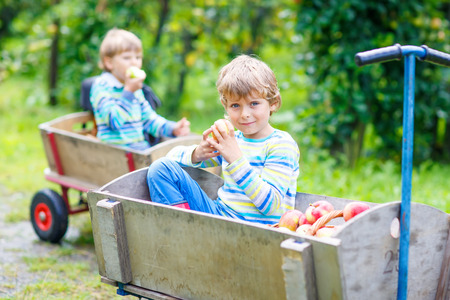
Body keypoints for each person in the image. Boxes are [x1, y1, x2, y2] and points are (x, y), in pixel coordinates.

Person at [147, 54, 300, 225]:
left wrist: (235, 159)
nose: (245, 114)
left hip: (260, 233)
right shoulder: (232, 140)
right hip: (220, 218)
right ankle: (181, 229)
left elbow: (270, 205)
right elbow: (171, 158)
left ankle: (187, 235)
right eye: (235, 105)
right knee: (160, 168)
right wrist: (198, 154)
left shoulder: (281, 144)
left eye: (254, 103)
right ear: (225, 106)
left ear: (273, 102)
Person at [90, 28, 190, 150]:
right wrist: (128, 92)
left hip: (139, 150)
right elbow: (114, 122)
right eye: (127, 58)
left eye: (138, 57)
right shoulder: (102, 86)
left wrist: (172, 128)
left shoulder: (134, 88)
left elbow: (149, 120)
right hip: (115, 152)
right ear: (109, 62)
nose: (134, 62)